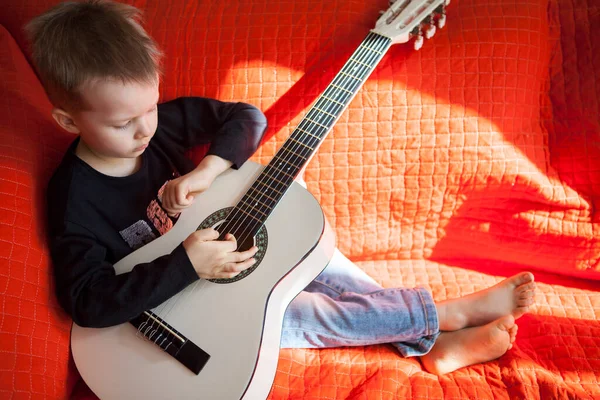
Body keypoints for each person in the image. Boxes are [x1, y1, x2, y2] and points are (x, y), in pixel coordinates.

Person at [27, 0, 536, 376]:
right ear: (67, 121)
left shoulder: (158, 126)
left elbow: (245, 118)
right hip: (179, 311)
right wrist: (186, 264)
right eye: (123, 124)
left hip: (224, 254)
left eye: (150, 108)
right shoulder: (75, 201)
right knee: (305, 311)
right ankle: (444, 316)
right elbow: (87, 301)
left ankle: (428, 344)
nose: (144, 131)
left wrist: (205, 171)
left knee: (319, 256)